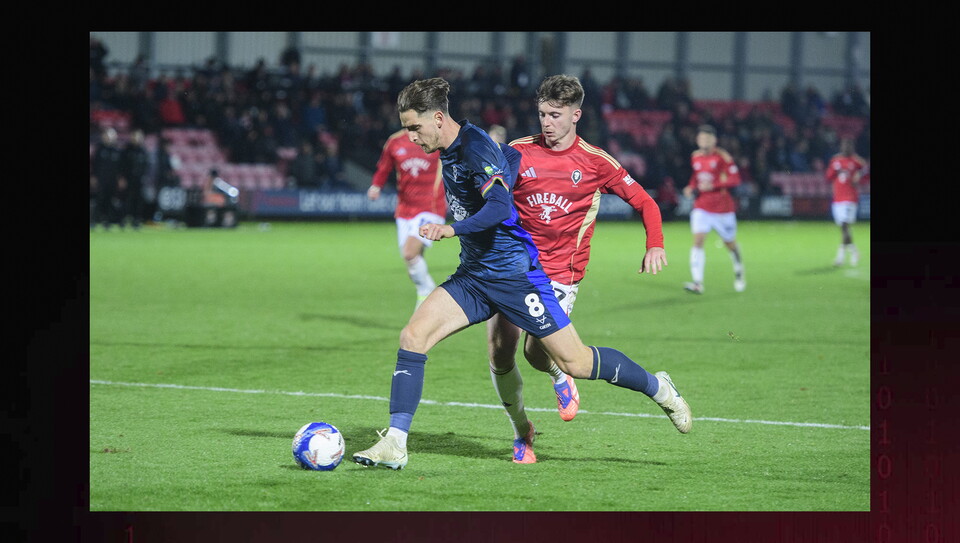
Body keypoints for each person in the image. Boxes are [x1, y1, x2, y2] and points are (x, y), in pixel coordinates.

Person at [351, 77, 691, 470]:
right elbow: (503, 174)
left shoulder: (485, 149)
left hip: (523, 275)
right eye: (542, 113)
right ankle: (401, 442)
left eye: (413, 127)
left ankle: (659, 387)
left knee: (571, 362)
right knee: (418, 337)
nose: (409, 137)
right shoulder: (500, 150)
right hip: (477, 274)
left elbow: (497, 206)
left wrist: (451, 228)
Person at [489, 74, 668, 428]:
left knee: (535, 352)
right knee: (499, 349)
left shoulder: (596, 161)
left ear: (576, 115)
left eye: (555, 115)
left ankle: (560, 374)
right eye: (542, 114)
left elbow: (646, 202)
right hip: (513, 266)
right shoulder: (517, 151)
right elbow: (492, 197)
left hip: (560, 273)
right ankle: (521, 432)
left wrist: (655, 244)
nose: (546, 122)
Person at [367, 127, 447, 309]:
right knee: (412, 259)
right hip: (404, 210)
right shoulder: (395, 141)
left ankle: (427, 291)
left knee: (409, 253)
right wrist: (376, 185)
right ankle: (427, 301)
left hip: (430, 207)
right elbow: (384, 166)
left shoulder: (434, 136)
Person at [682, 124, 745, 294]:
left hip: (723, 208)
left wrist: (714, 185)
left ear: (714, 140)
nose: (704, 141)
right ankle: (697, 283)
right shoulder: (695, 157)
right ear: (697, 140)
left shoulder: (722, 157)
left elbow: (735, 179)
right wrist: (690, 186)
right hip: (702, 206)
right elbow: (696, 178)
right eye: (701, 138)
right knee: (698, 240)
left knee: (729, 243)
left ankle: (739, 269)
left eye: (707, 138)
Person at [825, 137, 867, 266]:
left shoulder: (856, 161)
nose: (846, 148)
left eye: (849, 146)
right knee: (844, 227)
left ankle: (840, 257)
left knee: (844, 225)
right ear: (841, 147)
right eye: (844, 145)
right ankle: (854, 251)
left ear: (852, 148)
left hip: (850, 198)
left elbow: (866, 170)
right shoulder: (835, 160)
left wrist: (859, 175)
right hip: (838, 198)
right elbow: (828, 177)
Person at [90, 126, 123, 230]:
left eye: (110, 136)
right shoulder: (99, 150)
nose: (108, 138)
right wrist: (93, 177)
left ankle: (107, 221)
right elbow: (94, 165)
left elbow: (120, 168)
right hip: (101, 180)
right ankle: (94, 221)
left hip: (112, 180)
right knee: (99, 200)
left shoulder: (117, 151)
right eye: (106, 135)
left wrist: (120, 179)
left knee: (110, 201)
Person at [120, 129, 150, 229]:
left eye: (138, 136)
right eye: (135, 136)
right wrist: (122, 178)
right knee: (126, 200)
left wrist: (145, 178)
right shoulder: (127, 150)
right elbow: (122, 165)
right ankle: (123, 219)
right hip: (128, 179)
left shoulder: (144, 151)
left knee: (138, 201)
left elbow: (146, 166)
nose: (136, 138)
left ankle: (136, 220)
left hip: (140, 180)